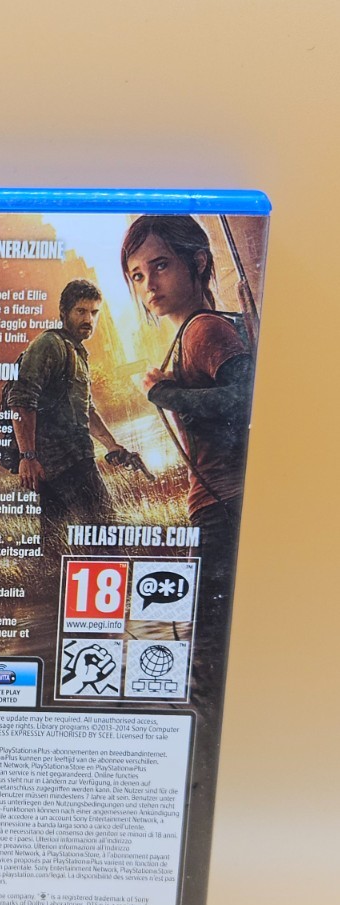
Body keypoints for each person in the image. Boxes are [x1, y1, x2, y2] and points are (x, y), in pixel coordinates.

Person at [121, 213, 255, 706]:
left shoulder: (204, 331)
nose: (148, 285)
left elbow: (245, 400)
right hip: (219, 505)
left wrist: (165, 394)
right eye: (137, 275)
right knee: (208, 644)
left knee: (206, 649)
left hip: (223, 506)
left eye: (160, 266)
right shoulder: (192, 334)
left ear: (197, 262)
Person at [6, 279, 147, 523]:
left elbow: (86, 410)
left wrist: (111, 445)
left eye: (94, 312)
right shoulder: (49, 344)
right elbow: (20, 401)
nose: (88, 319)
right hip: (63, 463)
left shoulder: (77, 353)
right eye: (81, 311)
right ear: (64, 312)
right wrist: (27, 457)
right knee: (106, 529)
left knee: (57, 537)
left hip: (73, 461)